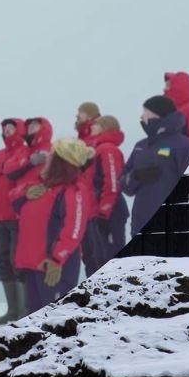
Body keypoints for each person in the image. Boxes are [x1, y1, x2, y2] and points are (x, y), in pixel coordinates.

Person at [13, 137, 93, 316]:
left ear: (61, 161)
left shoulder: (74, 190)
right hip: (33, 265)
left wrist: (57, 259)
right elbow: (13, 200)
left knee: (55, 322)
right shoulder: (42, 186)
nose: (47, 157)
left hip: (53, 267)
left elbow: (74, 228)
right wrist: (24, 192)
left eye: (52, 154)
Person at [124, 94, 189, 236]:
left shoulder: (184, 146)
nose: (141, 117)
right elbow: (124, 185)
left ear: (156, 115)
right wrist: (136, 176)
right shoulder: (140, 146)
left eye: (145, 112)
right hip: (141, 227)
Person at [0, 118, 28, 325]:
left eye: (11, 128)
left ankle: (23, 309)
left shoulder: (25, 151)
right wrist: (1, 167)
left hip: (17, 215)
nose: (7, 131)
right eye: (4, 128)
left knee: (17, 260)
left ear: (20, 130)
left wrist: (2, 168)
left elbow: (15, 172)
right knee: (3, 260)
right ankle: (12, 309)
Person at [81, 113, 129, 275]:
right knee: (96, 258)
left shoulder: (107, 149)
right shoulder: (95, 150)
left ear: (105, 127)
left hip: (109, 212)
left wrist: (104, 211)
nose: (92, 127)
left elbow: (112, 182)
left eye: (96, 124)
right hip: (98, 212)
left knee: (109, 258)